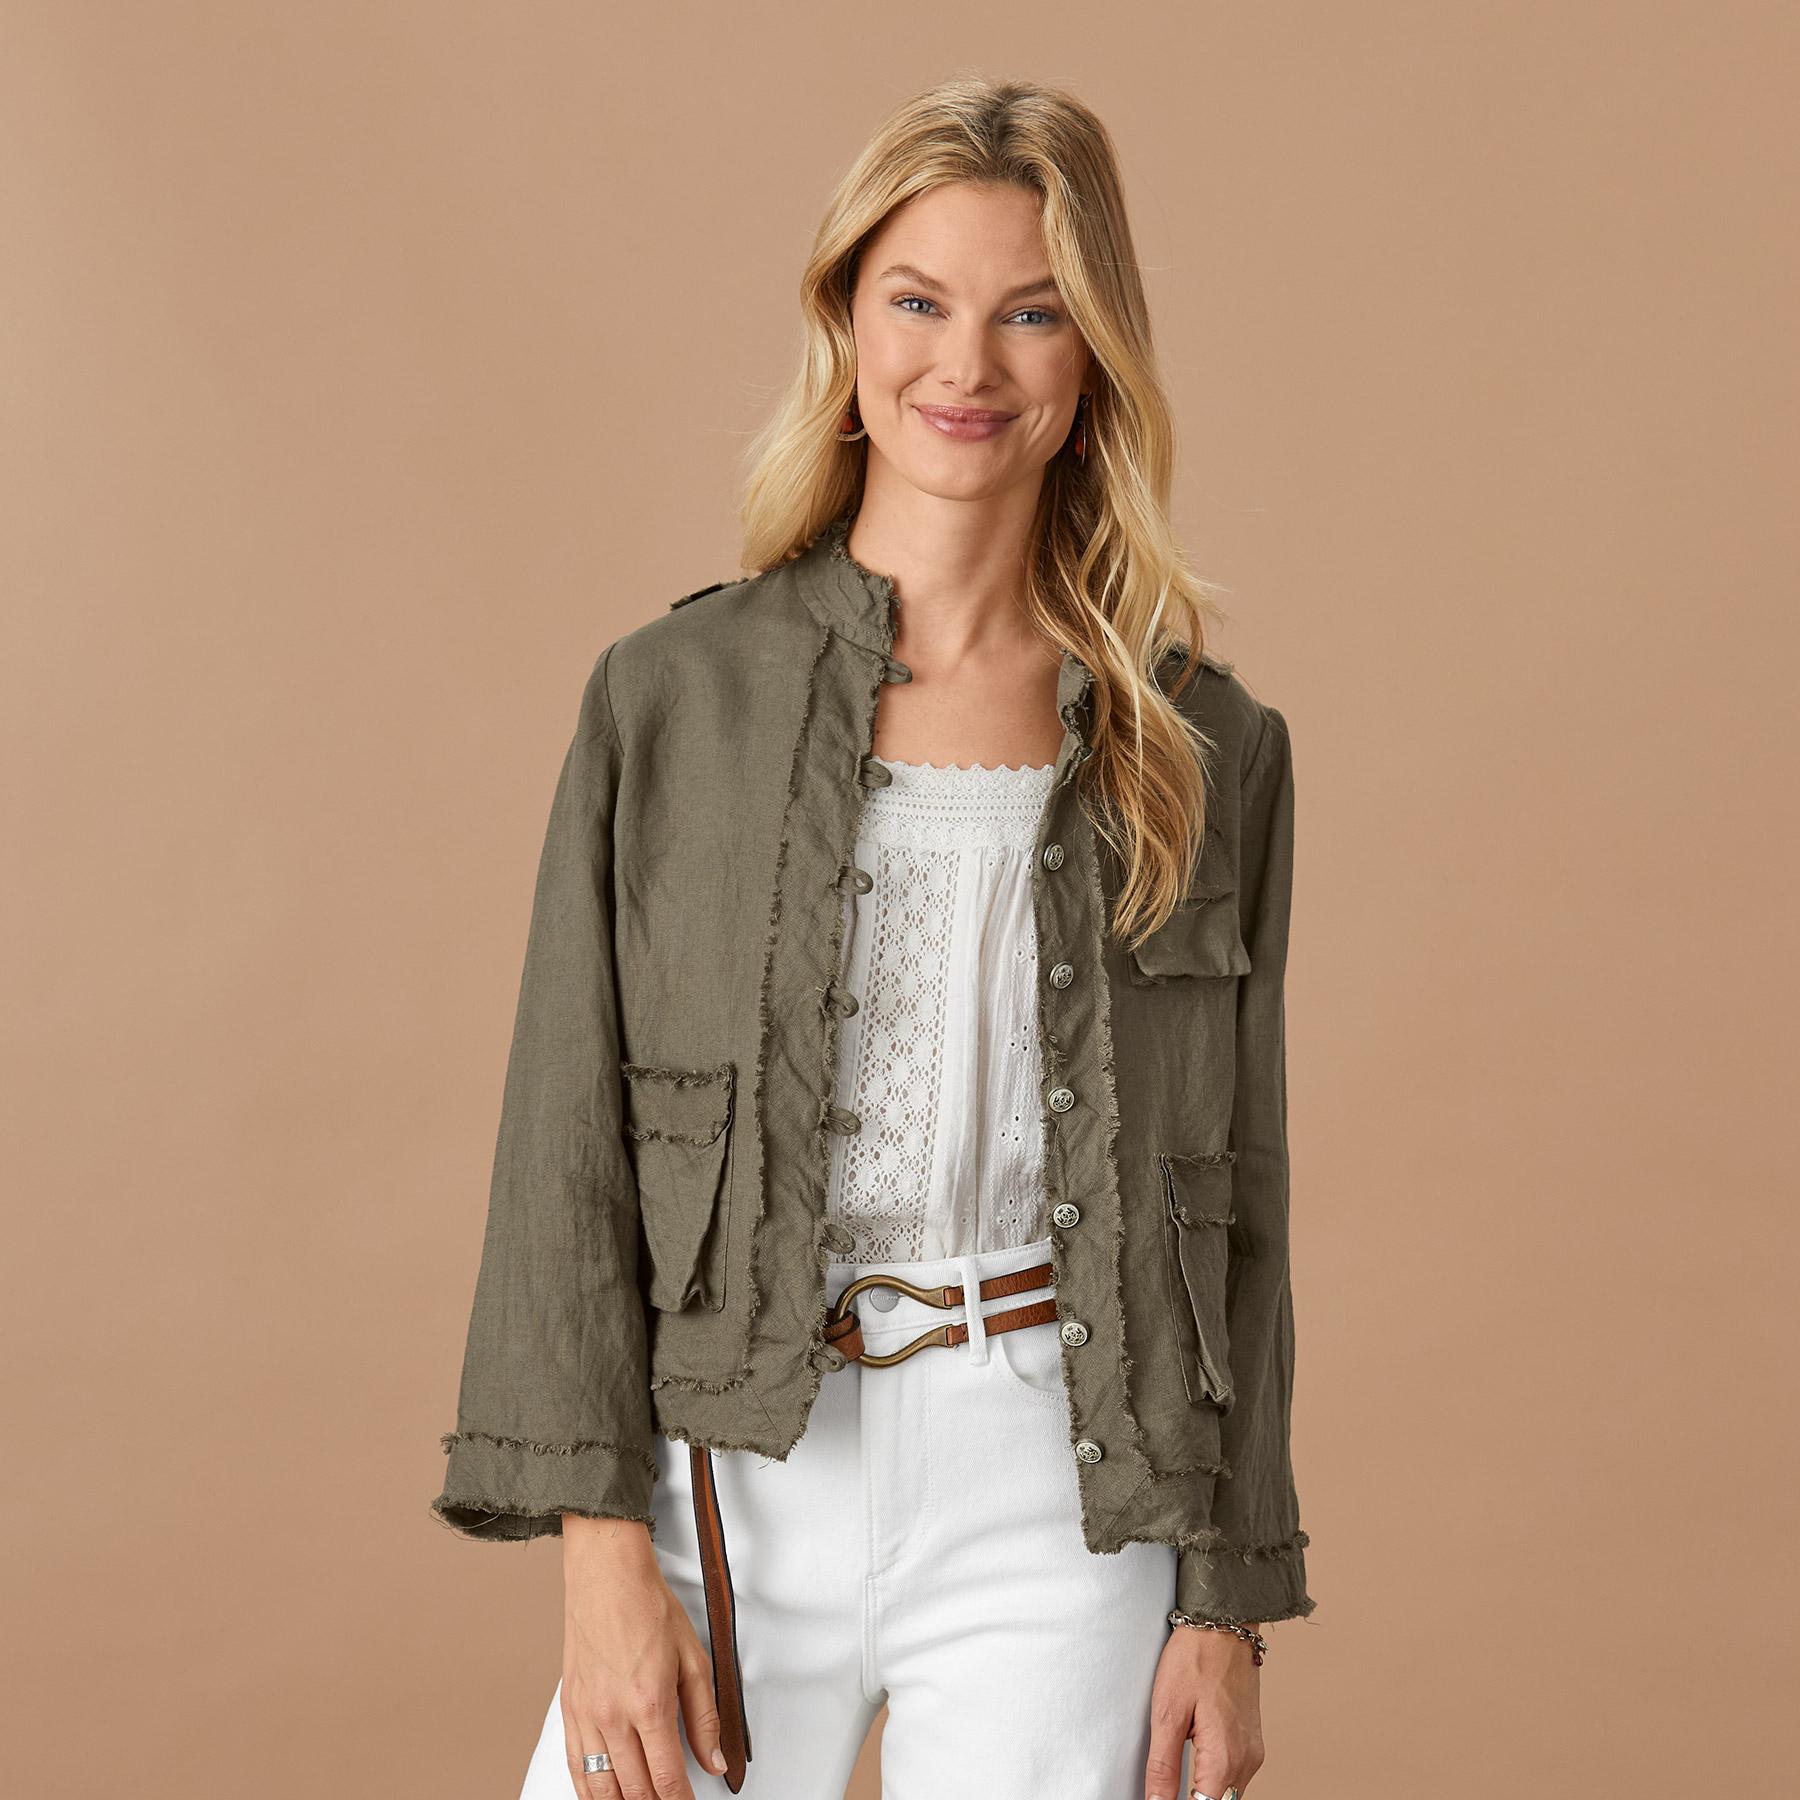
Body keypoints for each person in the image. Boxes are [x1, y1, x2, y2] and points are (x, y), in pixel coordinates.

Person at [433, 75, 1313, 1800]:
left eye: (1031, 313)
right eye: (919, 301)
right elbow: (565, 1141)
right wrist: (601, 1564)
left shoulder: (1203, 744)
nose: (966, 365)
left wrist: (1226, 1605)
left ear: (1094, 357)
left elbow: (1242, 1196)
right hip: (732, 1478)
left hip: (1062, 1491)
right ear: (845, 322)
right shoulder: (671, 700)